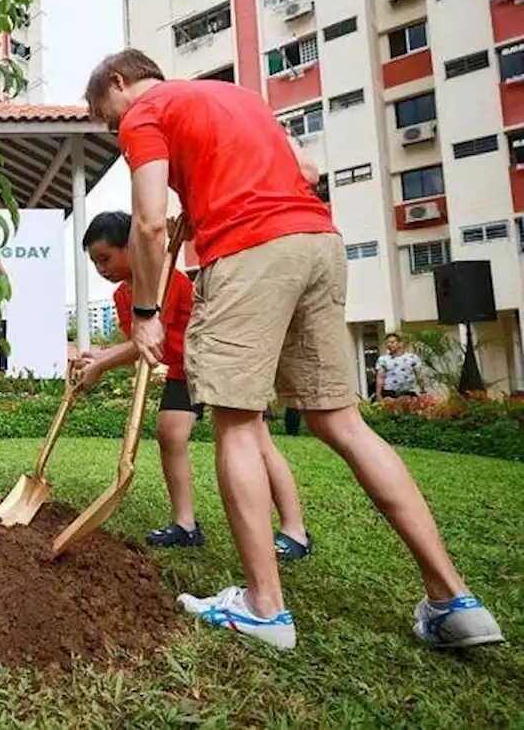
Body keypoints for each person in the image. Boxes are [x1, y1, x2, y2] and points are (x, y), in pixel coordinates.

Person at [84, 48, 502, 651]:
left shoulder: (145, 113)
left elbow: (147, 223)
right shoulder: (241, 98)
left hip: (251, 255)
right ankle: (452, 599)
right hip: (317, 242)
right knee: (343, 423)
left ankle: (264, 607)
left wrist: (146, 312)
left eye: (105, 115)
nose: (112, 128)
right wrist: (205, 210)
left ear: (120, 84)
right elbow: (304, 170)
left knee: (236, 422)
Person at [78, 211, 311, 557]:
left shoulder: (165, 280)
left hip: (218, 360)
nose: (101, 268)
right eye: (95, 262)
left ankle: (295, 531)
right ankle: (185, 525)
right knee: (170, 433)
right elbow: (140, 345)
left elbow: (143, 342)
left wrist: (101, 363)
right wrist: (97, 356)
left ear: (132, 247)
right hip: (183, 370)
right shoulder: (122, 298)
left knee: (255, 440)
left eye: (105, 258)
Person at [375, 333, 424, 399]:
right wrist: (378, 394)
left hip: (408, 392)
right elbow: (380, 377)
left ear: (400, 343)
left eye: (392, 342)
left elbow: (418, 375)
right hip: (389, 393)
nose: (389, 345)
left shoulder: (412, 358)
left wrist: (422, 390)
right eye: (387, 343)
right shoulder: (383, 359)